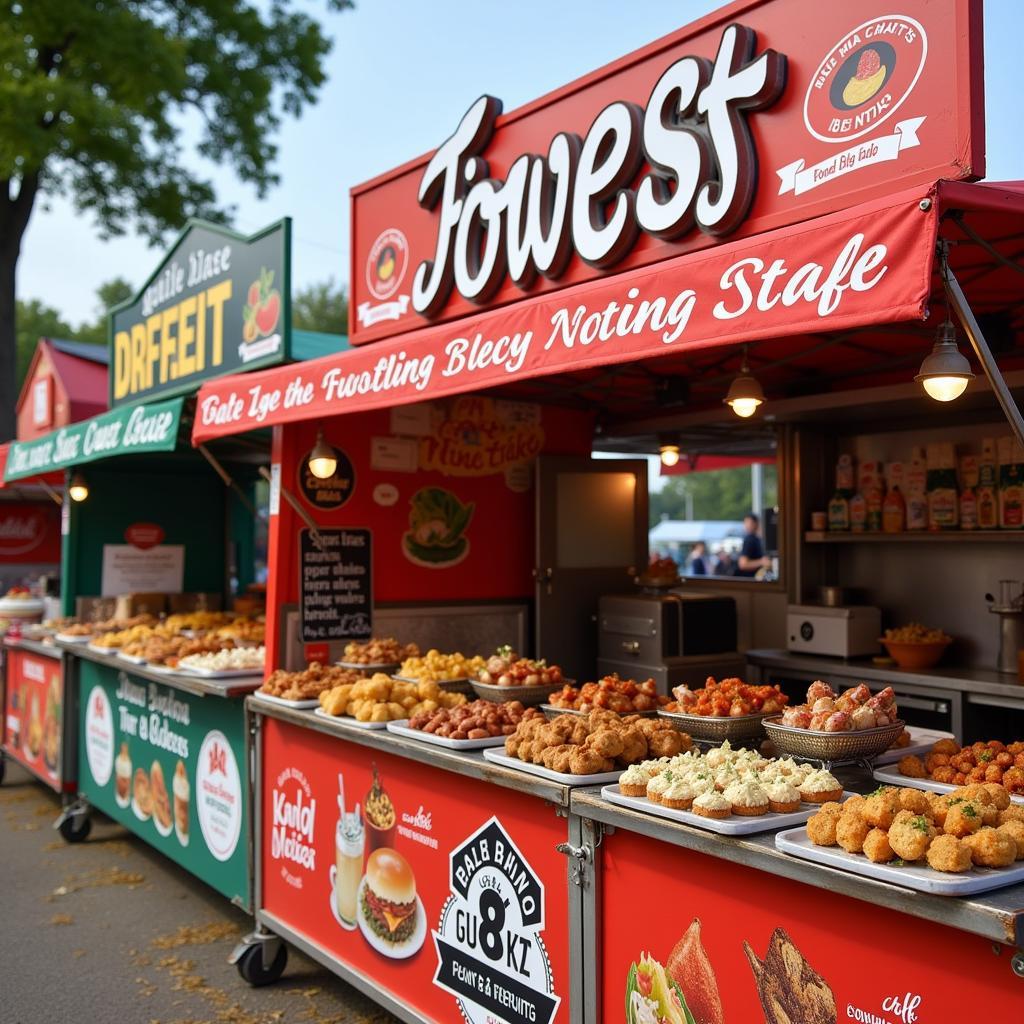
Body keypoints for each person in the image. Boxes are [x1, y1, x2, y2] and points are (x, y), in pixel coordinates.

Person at [736, 513, 771, 577]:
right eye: (745, 523)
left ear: (756, 523)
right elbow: (743, 564)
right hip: (749, 580)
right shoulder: (749, 539)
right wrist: (762, 562)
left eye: (749, 523)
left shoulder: (757, 539)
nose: (747, 526)